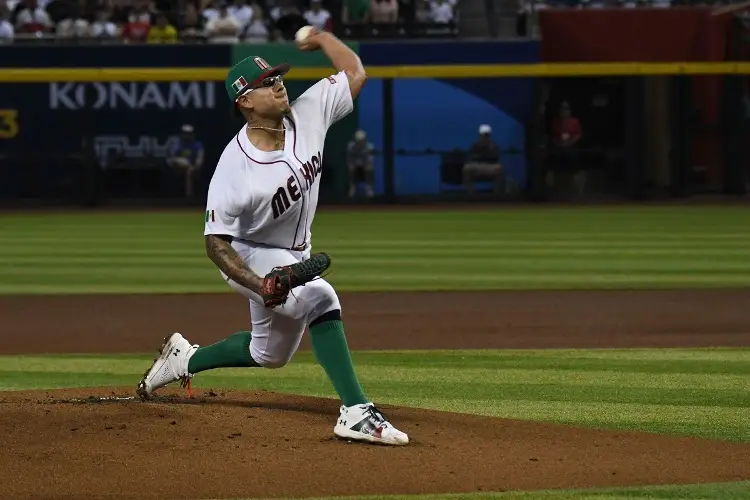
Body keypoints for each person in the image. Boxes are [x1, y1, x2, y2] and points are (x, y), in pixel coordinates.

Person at [136, 28, 409, 447]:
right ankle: (355, 412)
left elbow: (354, 71)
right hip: (250, 255)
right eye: (267, 83)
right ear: (245, 101)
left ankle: (185, 358)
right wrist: (256, 283)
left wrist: (322, 37)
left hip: (294, 254)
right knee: (321, 298)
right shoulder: (233, 167)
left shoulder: (310, 111)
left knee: (270, 355)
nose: (279, 85)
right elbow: (216, 244)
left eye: (279, 77)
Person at [166, 124, 204, 201]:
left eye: (188, 133)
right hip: (179, 168)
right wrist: (183, 162)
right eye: (185, 133)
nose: (186, 135)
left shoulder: (197, 145)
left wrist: (195, 166)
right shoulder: (178, 145)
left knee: (189, 172)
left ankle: (189, 197)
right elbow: (172, 158)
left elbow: (200, 158)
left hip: (193, 168)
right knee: (182, 163)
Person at [462, 124, 504, 195]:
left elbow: (495, 157)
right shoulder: (475, 145)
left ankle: (497, 195)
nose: (484, 136)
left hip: (490, 166)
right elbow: (471, 157)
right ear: (480, 135)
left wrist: (481, 157)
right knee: (466, 168)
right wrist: (482, 157)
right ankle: (470, 194)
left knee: (499, 168)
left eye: (486, 135)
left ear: (489, 135)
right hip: (477, 166)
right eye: (483, 135)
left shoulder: (493, 146)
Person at [347, 129, 374, 198]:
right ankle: (352, 187)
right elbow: (350, 159)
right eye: (358, 140)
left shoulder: (369, 146)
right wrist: (351, 165)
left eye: (361, 140)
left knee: (369, 168)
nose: (360, 142)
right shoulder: (351, 146)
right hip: (355, 166)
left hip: (364, 166)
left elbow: (370, 160)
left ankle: (368, 187)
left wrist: (366, 165)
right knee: (351, 168)